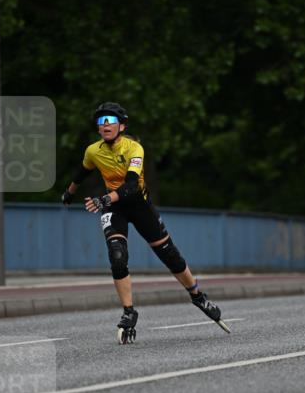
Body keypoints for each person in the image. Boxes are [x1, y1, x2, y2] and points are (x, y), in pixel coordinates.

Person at [62, 102, 226, 342]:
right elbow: (82, 171)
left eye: (110, 120)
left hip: (139, 205)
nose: (105, 125)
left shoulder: (134, 148)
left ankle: (198, 296)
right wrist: (69, 192)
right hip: (114, 208)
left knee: (169, 255)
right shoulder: (93, 151)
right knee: (117, 255)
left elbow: (131, 186)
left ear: (122, 126)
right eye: (100, 121)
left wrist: (103, 199)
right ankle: (129, 312)